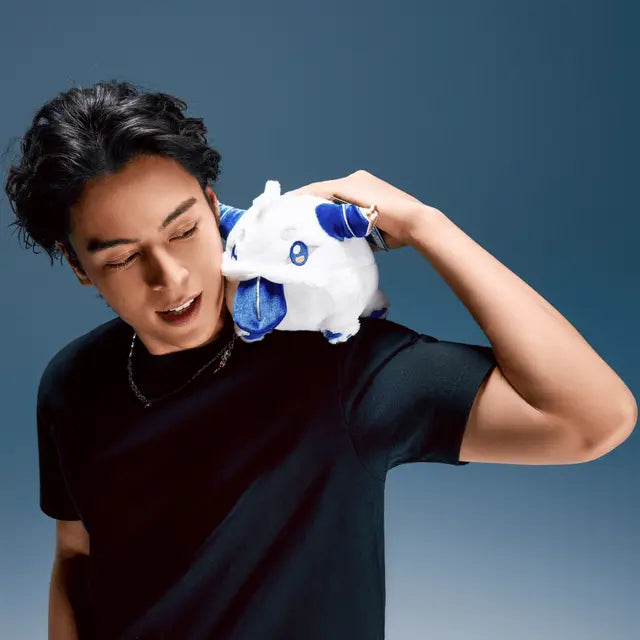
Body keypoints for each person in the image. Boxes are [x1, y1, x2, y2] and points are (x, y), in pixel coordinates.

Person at [5, 81, 635, 640]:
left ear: (214, 204)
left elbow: (592, 420)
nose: (169, 277)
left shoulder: (334, 364)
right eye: (121, 257)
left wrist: (428, 226)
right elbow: (77, 557)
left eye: (184, 230)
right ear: (78, 266)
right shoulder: (73, 382)